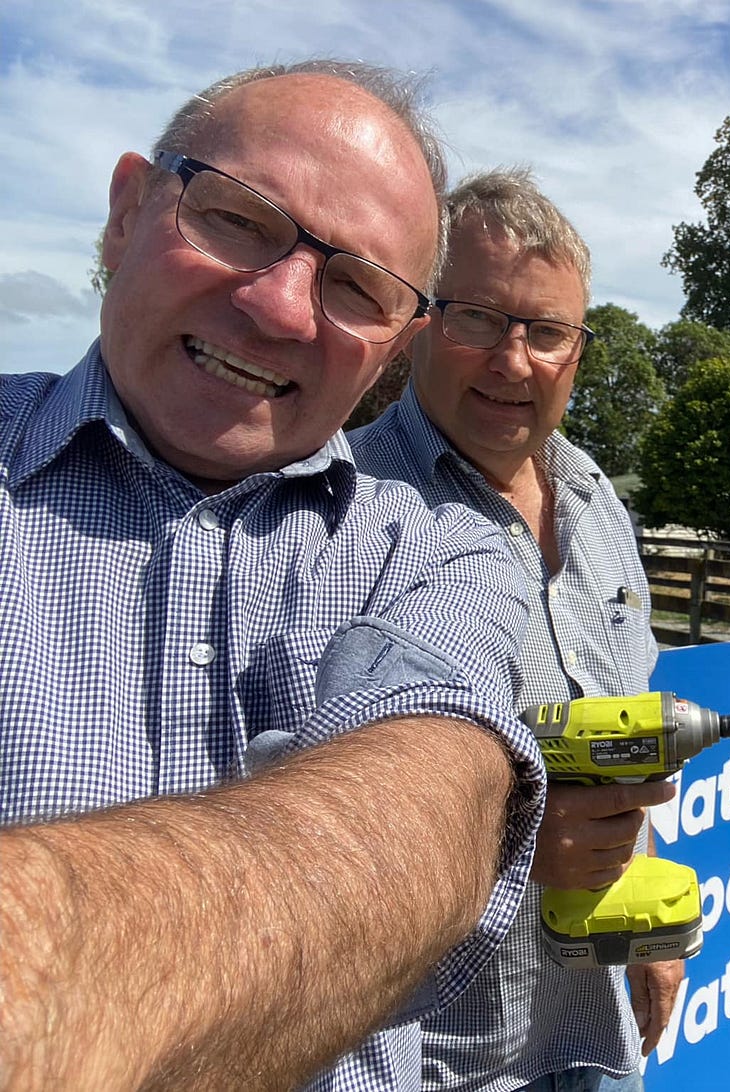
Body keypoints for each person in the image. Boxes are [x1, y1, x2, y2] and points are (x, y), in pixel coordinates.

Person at [0, 62, 547, 1092]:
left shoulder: (445, 552)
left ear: (393, 350)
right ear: (126, 212)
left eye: (358, 287)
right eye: (238, 220)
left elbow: (431, 808)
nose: (282, 309)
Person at [351, 169, 684, 1092]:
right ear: (420, 322)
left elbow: (625, 741)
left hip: (597, 1038)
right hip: (444, 1061)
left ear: (577, 349)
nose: (514, 361)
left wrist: (650, 926)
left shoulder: (596, 501)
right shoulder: (339, 511)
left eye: (546, 332)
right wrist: (506, 849)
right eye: (478, 319)